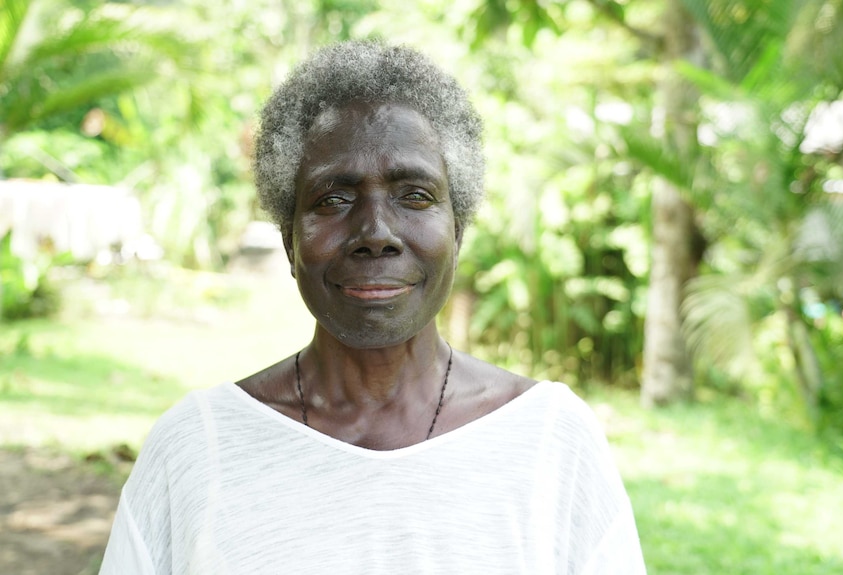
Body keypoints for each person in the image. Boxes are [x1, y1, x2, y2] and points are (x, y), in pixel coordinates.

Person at [99, 40, 646, 574]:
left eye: (415, 195)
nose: (376, 233)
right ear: (290, 242)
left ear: (458, 232)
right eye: (333, 199)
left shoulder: (552, 440)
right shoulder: (198, 448)